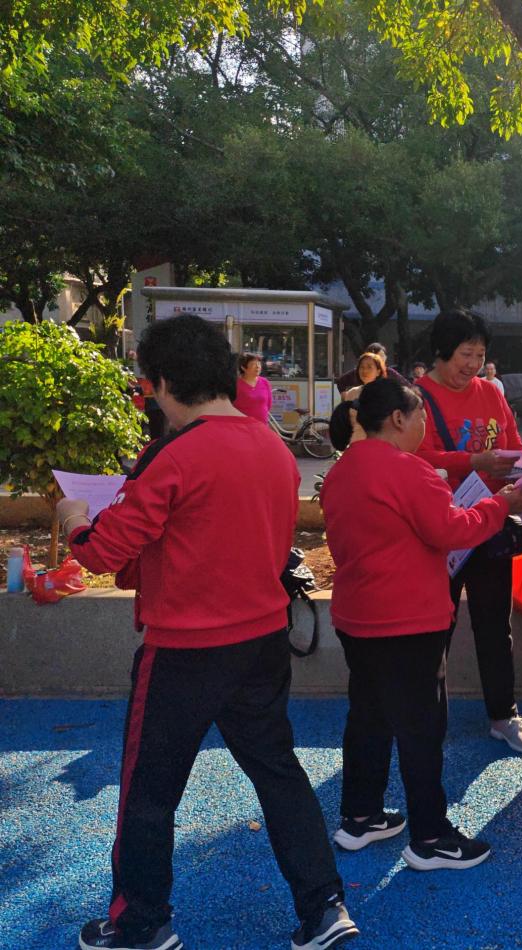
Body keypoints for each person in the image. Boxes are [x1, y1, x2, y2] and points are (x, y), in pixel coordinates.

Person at [57, 314, 356, 950]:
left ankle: (141, 922)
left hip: (184, 650)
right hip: (262, 639)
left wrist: (75, 518)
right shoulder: (272, 449)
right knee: (278, 773)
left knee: (148, 792)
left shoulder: (174, 455)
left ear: (164, 382)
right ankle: (324, 906)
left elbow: (103, 551)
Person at [321, 377, 522, 872]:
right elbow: (452, 529)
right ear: (398, 418)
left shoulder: (342, 470)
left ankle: (361, 816)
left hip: (357, 615)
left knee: (367, 717)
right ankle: (431, 837)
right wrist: (500, 505)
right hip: (408, 620)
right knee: (421, 729)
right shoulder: (409, 471)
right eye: (420, 417)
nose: (424, 426)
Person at [416, 309, 522, 753]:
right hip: (440, 529)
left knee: (495, 624)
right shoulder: (416, 398)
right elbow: (415, 457)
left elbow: (515, 447)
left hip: (489, 523)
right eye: (465, 354)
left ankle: (503, 714)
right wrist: (473, 461)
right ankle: (427, 718)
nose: (472, 364)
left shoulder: (491, 393)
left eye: (479, 355)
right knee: (435, 627)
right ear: (441, 352)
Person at [336, 341, 409, 393]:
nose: (365, 371)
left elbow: (407, 386)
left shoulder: (390, 372)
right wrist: (344, 396)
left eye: (383, 356)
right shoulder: (357, 375)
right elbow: (340, 382)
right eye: (378, 356)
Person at [233, 352, 273, 423]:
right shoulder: (236, 384)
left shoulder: (264, 382)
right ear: (243, 367)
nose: (257, 367)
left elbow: (268, 404)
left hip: (261, 425)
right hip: (242, 425)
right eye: (253, 364)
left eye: (259, 364)